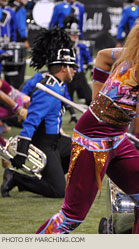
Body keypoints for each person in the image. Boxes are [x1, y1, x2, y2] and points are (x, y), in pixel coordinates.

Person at [36, 15, 139, 234]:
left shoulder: (135, 54)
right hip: (93, 140)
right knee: (71, 216)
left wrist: (97, 101)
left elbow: (102, 57)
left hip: (116, 138)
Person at [0, 28, 77, 198]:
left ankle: (49, 176)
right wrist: (22, 151)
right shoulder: (48, 88)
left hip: (55, 138)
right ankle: (16, 178)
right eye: (73, 67)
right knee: (59, 191)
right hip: (44, 142)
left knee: (80, 151)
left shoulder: (59, 85)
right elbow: (32, 120)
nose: (75, 70)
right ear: (64, 68)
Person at [63, 16, 93, 106]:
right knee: (67, 101)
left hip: (80, 75)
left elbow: (88, 57)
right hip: (69, 75)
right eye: (73, 34)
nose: (75, 36)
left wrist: (90, 67)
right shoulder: (64, 46)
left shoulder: (81, 46)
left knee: (89, 98)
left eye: (76, 34)